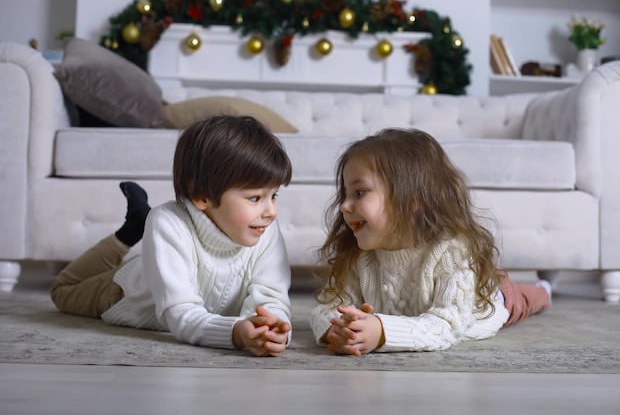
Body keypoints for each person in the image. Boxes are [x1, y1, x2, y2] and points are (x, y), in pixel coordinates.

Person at [51, 115, 293, 357]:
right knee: (63, 291)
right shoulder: (167, 222)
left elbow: (273, 300)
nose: (271, 211)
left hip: (161, 261)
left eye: (274, 196)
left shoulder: (266, 230)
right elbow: (181, 313)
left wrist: (272, 327)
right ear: (201, 195)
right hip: (125, 292)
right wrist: (235, 333)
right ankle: (128, 233)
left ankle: (138, 225)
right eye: (255, 198)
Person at [310, 128, 551, 356]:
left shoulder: (451, 252)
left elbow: (447, 324)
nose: (344, 205)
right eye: (345, 194)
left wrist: (382, 332)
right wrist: (338, 328)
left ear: (413, 199)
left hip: (491, 298)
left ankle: (544, 290)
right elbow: (327, 307)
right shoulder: (358, 255)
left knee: (526, 300)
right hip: (464, 281)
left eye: (359, 192)